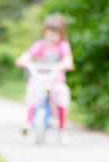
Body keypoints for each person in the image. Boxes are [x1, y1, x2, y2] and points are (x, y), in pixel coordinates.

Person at [15, 14, 74, 145]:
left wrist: (67, 63)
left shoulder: (62, 46)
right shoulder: (40, 44)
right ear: (45, 32)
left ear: (61, 34)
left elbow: (67, 59)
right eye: (49, 33)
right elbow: (28, 54)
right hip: (40, 79)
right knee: (32, 92)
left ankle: (62, 130)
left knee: (62, 96)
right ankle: (28, 121)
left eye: (55, 33)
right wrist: (22, 60)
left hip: (55, 80)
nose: (51, 36)